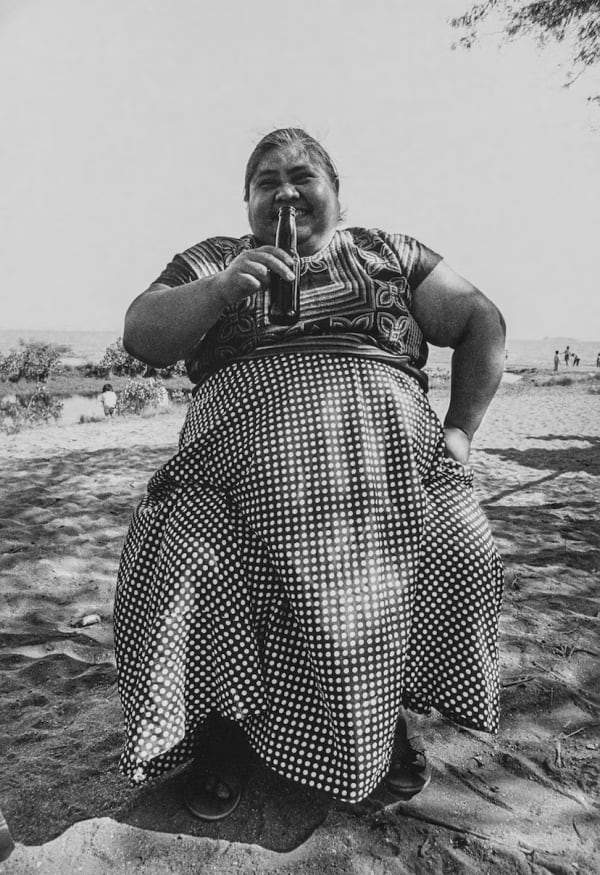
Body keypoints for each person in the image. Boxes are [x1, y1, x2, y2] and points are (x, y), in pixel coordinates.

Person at [115, 128, 506, 821]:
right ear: (247, 201)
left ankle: (380, 713)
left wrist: (458, 435)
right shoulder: (212, 259)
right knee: (186, 545)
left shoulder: (385, 251)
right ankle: (223, 732)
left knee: (461, 538)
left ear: (336, 192)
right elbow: (143, 332)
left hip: (384, 465)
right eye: (267, 181)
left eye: (303, 176)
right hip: (233, 467)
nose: (286, 191)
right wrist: (222, 290)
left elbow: (481, 320)